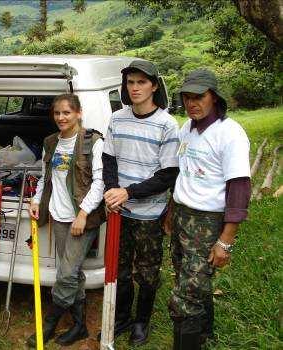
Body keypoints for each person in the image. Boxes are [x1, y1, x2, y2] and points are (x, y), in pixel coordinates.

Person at [166, 69, 250, 349]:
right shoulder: (186, 129)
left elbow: (239, 189)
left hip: (207, 221)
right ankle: (205, 334)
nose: (192, 103)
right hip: (181, 215)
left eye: (199, 97)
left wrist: (225, 242)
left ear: (214, 97)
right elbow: (183, 173)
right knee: (188, 277)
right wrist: (170, 211)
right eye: (187, 97)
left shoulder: (230, 133)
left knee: (186, 295)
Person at [101, 59, 180, 345]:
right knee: (119, 268)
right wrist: (112, 191)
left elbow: (168, 175)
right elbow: (108, 158)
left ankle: (141, 322)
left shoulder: (167, 125)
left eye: (141, 82)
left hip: (149, 212)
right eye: (130, 82)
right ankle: (121, 317)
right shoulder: (116, 118)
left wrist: (128, 192)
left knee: (146, 271)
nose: (134, 88)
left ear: (154, 86)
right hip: (118, 210)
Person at [27, 94, 106, 347]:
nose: (61, 117)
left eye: (67, 113)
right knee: (71, 274)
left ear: (78, 113)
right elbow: (44, 177)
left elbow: (99, 182)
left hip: (82, 218)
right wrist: (36, 200)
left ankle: (50, 322)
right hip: (58, 216)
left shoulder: (92, 142)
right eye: (57, 113)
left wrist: (82, 214)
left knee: (67, 273)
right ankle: (80, 325)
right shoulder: (50, 142)